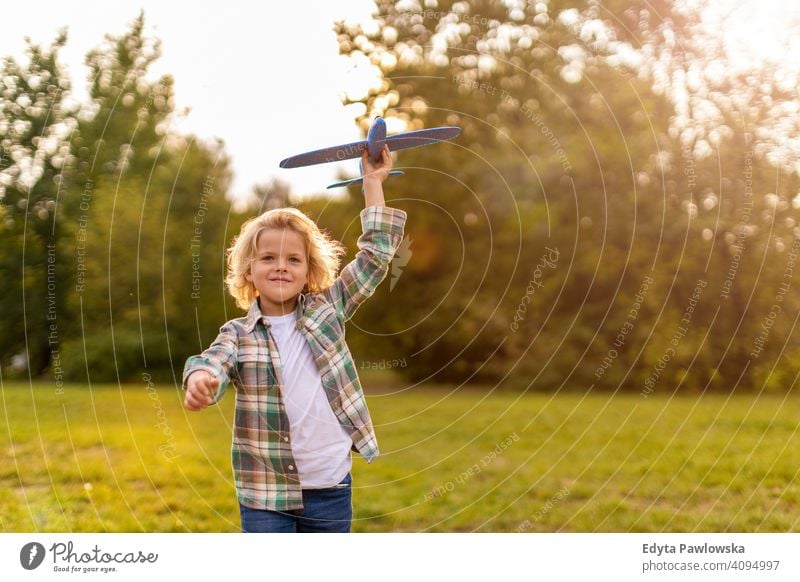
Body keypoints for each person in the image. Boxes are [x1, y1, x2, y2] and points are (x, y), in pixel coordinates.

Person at [182, 146, 406, 533]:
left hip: (331, 487)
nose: (281, 266)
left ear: (309, 270)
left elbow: (375, 256)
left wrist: (372, 182)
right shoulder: (238, 334)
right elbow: (211, 360)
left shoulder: (328, 308)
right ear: (248, 271)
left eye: (293, 260)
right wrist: (200, 380)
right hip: (266, 495)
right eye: (268, 258)